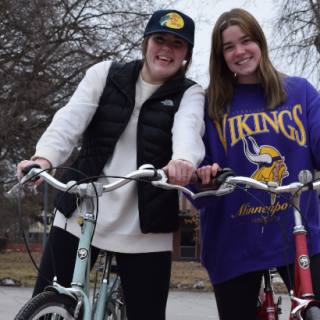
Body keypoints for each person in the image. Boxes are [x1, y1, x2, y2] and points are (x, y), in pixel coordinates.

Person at [16, 9, 205, 320]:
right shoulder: (106, 74)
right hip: (82, 213)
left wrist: (183, 160)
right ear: (146, 42)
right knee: (47, 306)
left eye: (178, 43)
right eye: (160, 39)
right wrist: (43, 158)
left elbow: (189, 126)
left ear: (186, 54)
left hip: (146, 227)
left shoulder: (190, 92)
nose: (167, 49)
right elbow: (70, 119)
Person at [189, 8, 320, 320]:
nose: (239, 51)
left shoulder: (300, 92)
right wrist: (202, 177)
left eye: (245, 41)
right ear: (220, 56)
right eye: (229, 46)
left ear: (259, 42)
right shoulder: (210, 104)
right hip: (234, 239)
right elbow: (194, 169)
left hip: (298, 231)